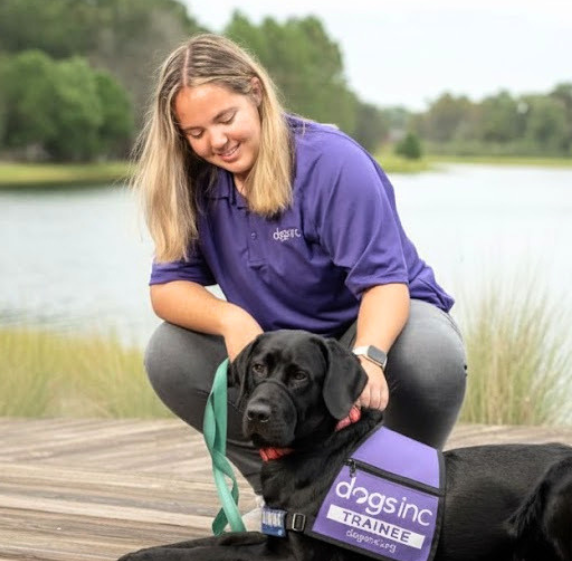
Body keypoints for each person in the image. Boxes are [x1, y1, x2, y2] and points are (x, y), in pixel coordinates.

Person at [134, 33, 466, 502]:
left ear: (255, 92)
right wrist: (231, 318)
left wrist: (368, 357)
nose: (217, 141)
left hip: (369, 326)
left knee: (430, 356)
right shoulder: (190, 177)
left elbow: (386, 285)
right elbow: (167, 290)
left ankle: (397, 494)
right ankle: (286, 495)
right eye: (196, 133)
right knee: (169, 352)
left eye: (226, 118)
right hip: (282, 355)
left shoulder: (331, 161)